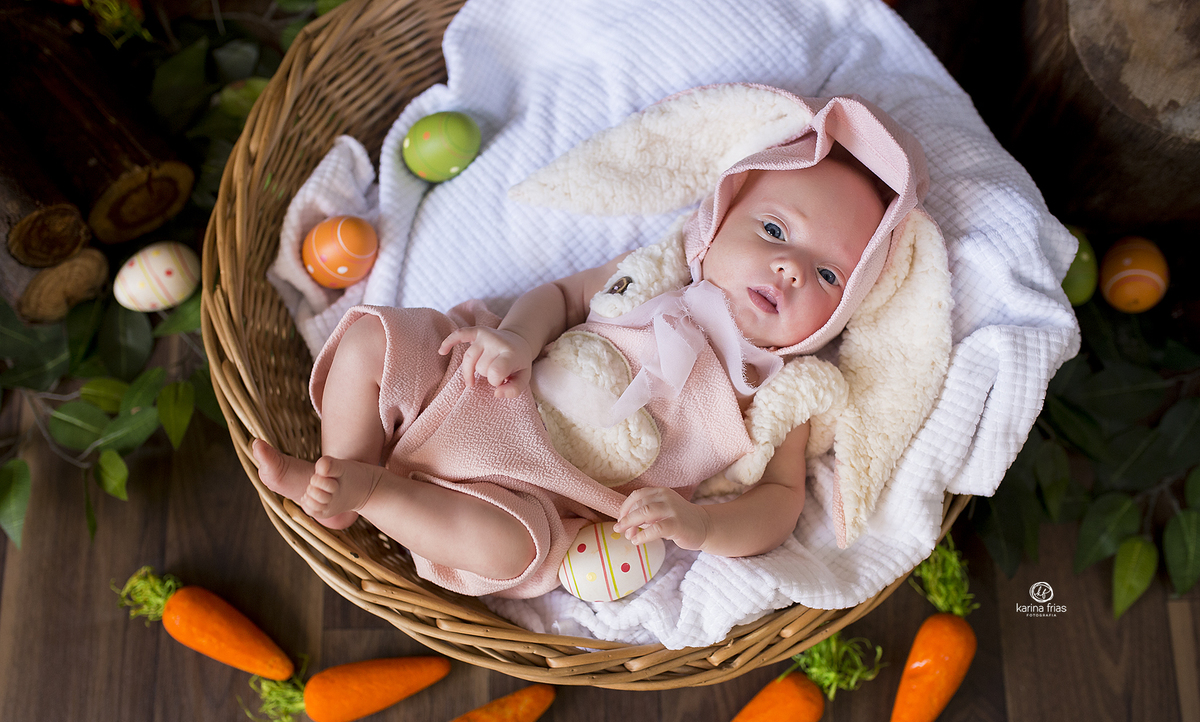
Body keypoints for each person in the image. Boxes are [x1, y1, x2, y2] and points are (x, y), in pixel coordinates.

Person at [254, 93, 915, 599]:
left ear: (842, 312)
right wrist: (517, 339)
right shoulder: (653, 275)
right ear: (717, 222)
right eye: (773, 230)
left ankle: (368, 494)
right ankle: (341, 464)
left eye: (828, 275)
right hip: (482, 381)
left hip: (538, 494)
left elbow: (781, 501)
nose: (790, 268)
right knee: (373, 335)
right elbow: (562, 296)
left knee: (511, 551)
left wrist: (703, 527)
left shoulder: (780, 390)